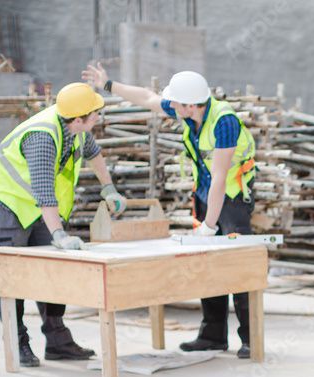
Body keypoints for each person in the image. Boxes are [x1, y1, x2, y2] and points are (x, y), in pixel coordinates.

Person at [84, 64, 257, 358]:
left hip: (232, 197)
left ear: (191, 104)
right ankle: (213, 335)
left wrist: (209, 225)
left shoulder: (224, 122)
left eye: (175, 102)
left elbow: (220, 176)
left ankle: (251, 338)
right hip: (206, 195)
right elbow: (148, 98)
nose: (170, 105)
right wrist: (109, 84)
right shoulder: (187, 108)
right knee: (207, 262)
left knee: (236, 265)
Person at [0, 82, 127, 367]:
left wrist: (109, 189)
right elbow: (44, 190)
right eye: (95, 113)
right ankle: (17, 342)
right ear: (78, 118)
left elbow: (94, 154)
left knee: (51, 270)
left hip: (35, 206)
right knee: (14, 274)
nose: (99, 116)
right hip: (7, 200)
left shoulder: (77, 130)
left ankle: (57, 341)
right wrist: (58, 233)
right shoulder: (43, 138)